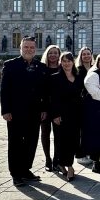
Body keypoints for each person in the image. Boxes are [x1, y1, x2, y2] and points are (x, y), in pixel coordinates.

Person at [0, 37, 47, 185]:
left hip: (34, 111)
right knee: (15, 143)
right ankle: (16, 174)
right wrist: (5, 110)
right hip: (15, 112)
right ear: (20, 48)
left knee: (31, 141)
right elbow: (4, 90)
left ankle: (26, 169)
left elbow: (44, 91)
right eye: (26, 47)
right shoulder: (10, 65)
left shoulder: (41, 66)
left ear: (35, 49)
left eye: (32, 47)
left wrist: (44, 108)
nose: (29, 50)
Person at [48, 51, 82, 181]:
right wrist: (55, 115)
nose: (66, 63)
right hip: (61, 115)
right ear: (60, 63)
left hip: (75, 114)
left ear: (73, 62)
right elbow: (53, 99)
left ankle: (62, 164)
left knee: (73, 141)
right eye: (64, 61)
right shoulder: (55, 78)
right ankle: (70, 167)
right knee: (62, 141)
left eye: (69, 61)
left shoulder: (78, 77)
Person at [39, 44, 61, 172]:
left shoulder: (62, 68)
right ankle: (48, 159)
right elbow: (39, 91)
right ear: (47, 54)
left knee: (59, 134)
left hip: (59, 107)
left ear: (59, 55)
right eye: (50, 53)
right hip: (45, 107)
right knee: (45, 133)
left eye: (55, 53)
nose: (53, 55)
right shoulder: (42, 69)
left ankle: (57, 159)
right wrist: (42, 108)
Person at [74, 46, 94, 165]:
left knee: (89, 130)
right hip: (81, 104)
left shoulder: (94, 68)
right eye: (84, 54)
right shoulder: (78, 70)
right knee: (80, 130)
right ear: (81, 56)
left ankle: (88, 152)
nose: (86, 56)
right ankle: (80, 154)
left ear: (91, 56)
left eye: (88, 54)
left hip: (92, 103)